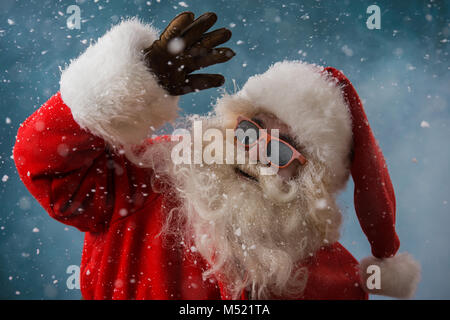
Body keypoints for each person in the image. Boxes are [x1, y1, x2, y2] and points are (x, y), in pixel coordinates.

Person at [14, 12, 419, 300]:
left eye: (279, 150)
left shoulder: (334, 278)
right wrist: (129, 87)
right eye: (249, 129)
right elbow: (44, 161)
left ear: (312, 177)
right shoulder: (146, 175)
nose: (254, 154)